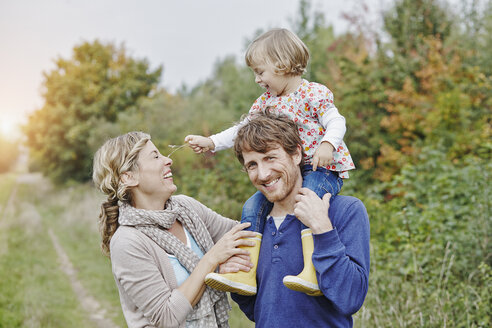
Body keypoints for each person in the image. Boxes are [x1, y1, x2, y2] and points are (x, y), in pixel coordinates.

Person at [185, 28, 355, 295]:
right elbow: (241, 129)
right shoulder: (265, 103)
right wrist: (212, 142)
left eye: (260, 72)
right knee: (252, 205)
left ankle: (312, 271)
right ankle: (246, 272)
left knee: (308, 201)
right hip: (289, 170)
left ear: (282, 64)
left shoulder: (313, 93)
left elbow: (336, 121)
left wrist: (327, 144)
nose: (257, 79)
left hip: (320, 168)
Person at [92, 131, 257, 328]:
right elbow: (166, 317)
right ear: (128, 177)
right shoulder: (127, 242)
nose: (167, 161)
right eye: (155, 157)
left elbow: (244, 237)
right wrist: (212, 260)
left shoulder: (186, 208)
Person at [230, 112, 370, 327]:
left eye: (270, 157)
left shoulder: (345, 210)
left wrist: (323, 230)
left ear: (296, 154)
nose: (263, 174)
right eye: (252, 165)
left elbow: (350, 299)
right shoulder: (253, 225)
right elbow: (258, 309)